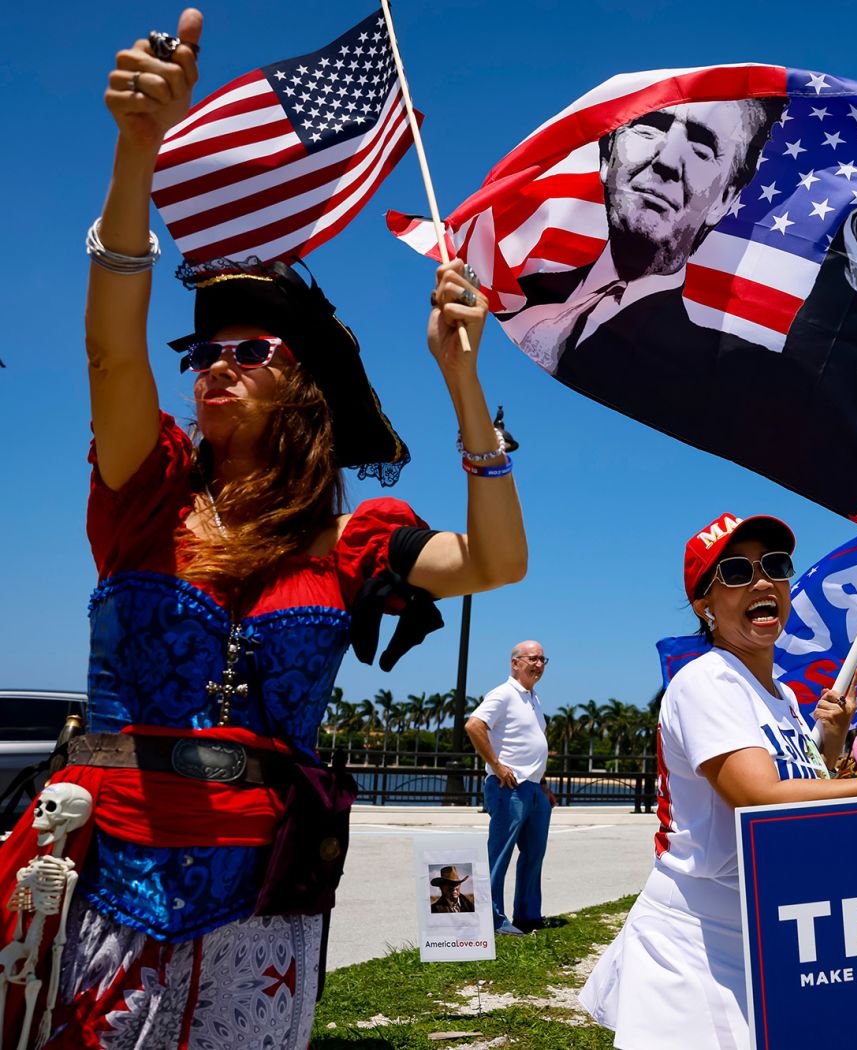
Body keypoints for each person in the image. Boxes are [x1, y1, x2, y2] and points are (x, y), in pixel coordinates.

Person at [0, 12, 527, 1048]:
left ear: (305, 389)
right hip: (106, 888)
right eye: (204, 353)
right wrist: (135, 154)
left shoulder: (353, 541)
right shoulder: (146, 485)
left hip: (266, 911)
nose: (216, 364)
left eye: (252, 348)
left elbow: (496, 562)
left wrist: (465, 387)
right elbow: (111, 355)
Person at [580, 512, 857, 1049]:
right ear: (705, 604)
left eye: (774, 566)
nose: (762, 580)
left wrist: (833, 741)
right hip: (696, 937)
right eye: (736, 572)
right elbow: (762, 801)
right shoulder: (707, 680)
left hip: (765, 929)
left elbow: (802, 784)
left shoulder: (785, 697)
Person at [502, 101, 857, 518]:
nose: (666, 160)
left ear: (725, 199)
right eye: (650, 128)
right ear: (607, 157)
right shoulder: (512, 288)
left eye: (701, 148)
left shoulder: (725, 368)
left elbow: (819, 420)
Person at [466, 640, 562, 934]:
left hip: (534, 790)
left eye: (543, 660)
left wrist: (543, 786)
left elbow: (532, 745)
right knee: (500, 854)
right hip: (509, 787)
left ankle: (528, 915)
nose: (538, 665)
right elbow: (474, 725)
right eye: (532, 659)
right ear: (515, 663)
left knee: (534, 854)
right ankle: (492, 920)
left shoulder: (534, 699)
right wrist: (496, 765)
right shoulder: (504, 694)